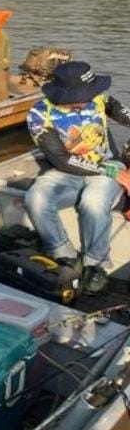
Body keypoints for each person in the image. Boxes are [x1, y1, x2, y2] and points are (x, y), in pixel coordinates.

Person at [24, 61, 130, 295]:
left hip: (107, 163)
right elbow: (63, 160)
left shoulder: (101, 99)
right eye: (85, 94)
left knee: (93, 202)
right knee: (35, 199)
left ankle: (96, 264)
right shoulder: (39, 115)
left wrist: (115, 169)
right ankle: (65, 255)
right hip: (68, 170)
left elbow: (127, 117)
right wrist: (115, 173)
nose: (91, 96)